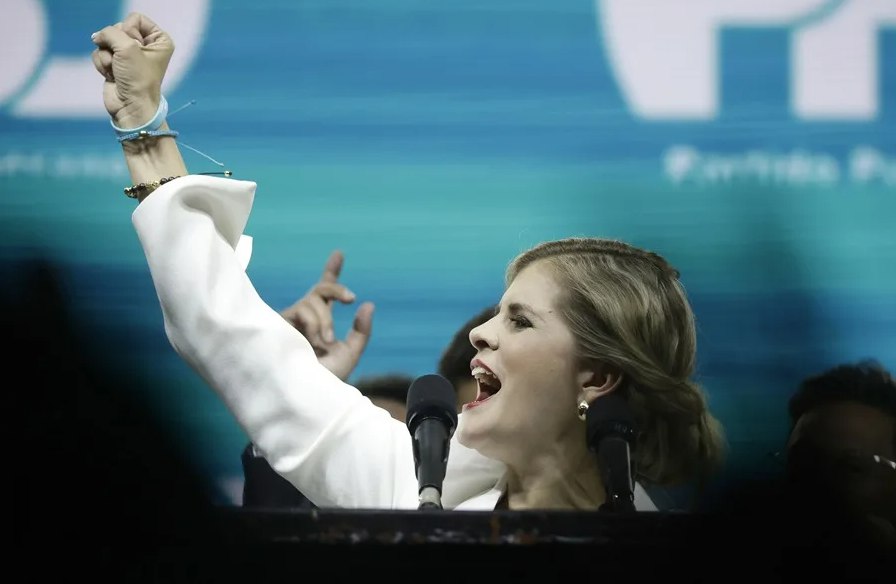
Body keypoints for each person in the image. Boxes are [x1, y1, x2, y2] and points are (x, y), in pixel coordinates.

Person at [90, 12, 726, 512]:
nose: (480, 333)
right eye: (498, 314)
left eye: (520, 321)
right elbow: (228, 332)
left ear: (597, 378)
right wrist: (142, 124)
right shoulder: (413, 485)